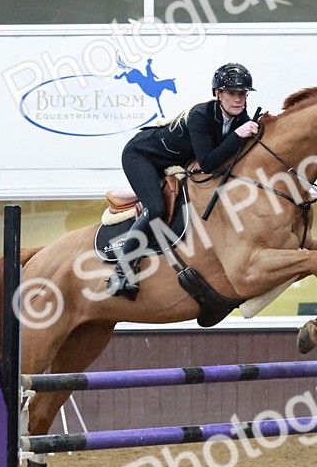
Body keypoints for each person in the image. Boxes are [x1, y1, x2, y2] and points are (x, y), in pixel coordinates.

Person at [105, 62, 261, 299]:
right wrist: (239, 136)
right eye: (231, 93)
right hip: (142, 156)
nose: (238, 99)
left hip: (171, 162)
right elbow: (208, 163)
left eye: (242, 93)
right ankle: (121, 272)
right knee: (156, 208)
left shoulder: (242, 119)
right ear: (217, 93)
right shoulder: (201, 115)